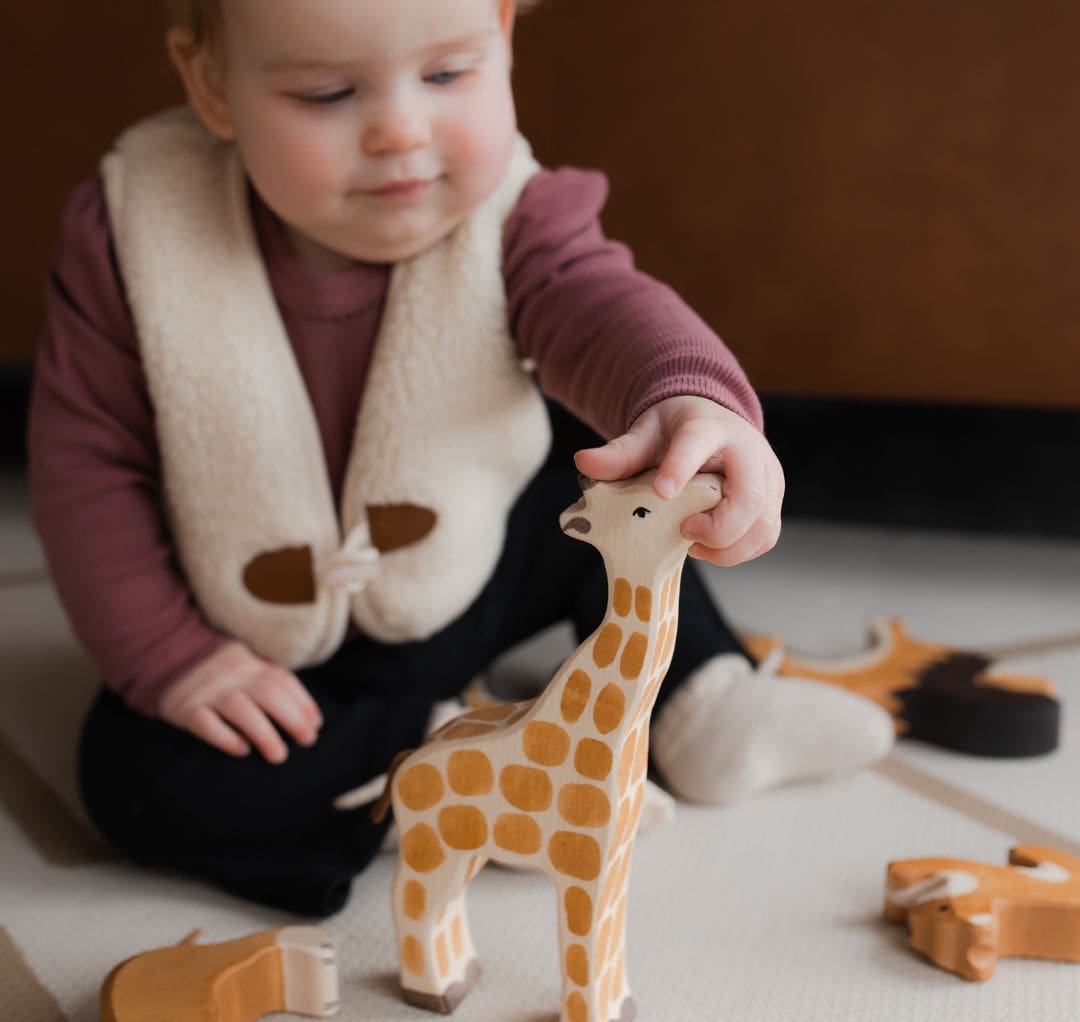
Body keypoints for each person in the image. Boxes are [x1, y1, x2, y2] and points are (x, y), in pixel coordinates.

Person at [28, 0, 893, 917]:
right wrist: (174, 656)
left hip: (465, 573)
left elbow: (598, 305)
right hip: (263, 653)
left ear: (505, 43)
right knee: (127, 772)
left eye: (447, 75)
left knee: (612, 483)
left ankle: (704, 699)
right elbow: (88, 463)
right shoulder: (134, 235)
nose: (402, 130)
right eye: (327, 92)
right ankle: (428, 766)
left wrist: (688, 400)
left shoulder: (514, 215)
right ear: (212, 86)